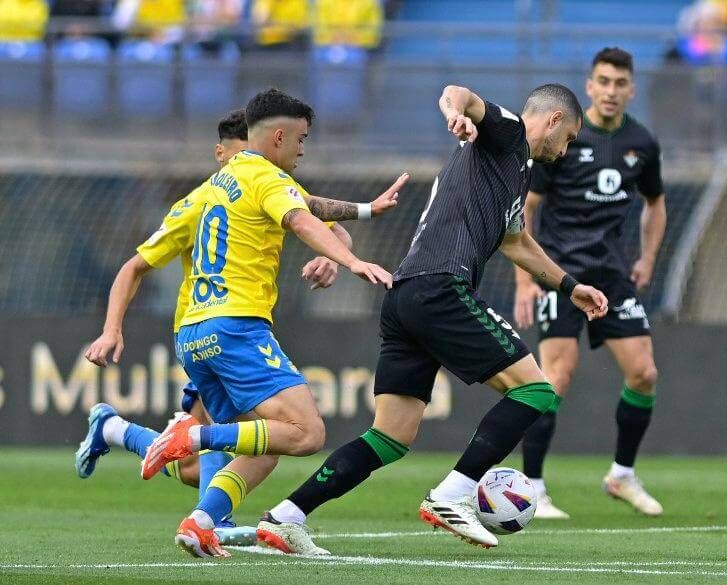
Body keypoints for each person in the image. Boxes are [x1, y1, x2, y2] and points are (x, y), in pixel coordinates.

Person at [248, 83, 608, 556]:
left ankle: (287, 517)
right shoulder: (509, 133)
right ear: (554, 120)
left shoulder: (515, 172)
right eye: (569, 139)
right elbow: (458, 93)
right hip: (442, 286)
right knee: (536, 391)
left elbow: (516, 243)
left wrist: (569, 286)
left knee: (390, 437)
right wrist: (455, 113)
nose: (564, 151)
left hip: (406, 296)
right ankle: (453, 494)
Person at [113, 88, 406, 558]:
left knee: (264, 446)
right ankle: (190, 435)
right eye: (302, 139)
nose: (303, 149)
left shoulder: (213, 186)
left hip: (193, 334)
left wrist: (368, 210)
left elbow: (311, 207)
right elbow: (302, 220)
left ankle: (200, 523)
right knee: (306, 432)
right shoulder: (267, 176)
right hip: (236, 326)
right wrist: (351, 262)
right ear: (279, 136)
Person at [76, 110, 255, 545]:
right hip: (207, 330)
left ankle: (113, 428)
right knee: (239, 430)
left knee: (193, 466)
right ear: (219, 153)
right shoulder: (196, 206)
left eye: (252, 156)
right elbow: (134, 267)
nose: (245, 165)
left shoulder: (267, 190)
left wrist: (334, 252)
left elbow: (323, 223)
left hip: (244, 328)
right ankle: (214, 519)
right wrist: (111, 329)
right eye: (238, 155)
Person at [513, 48, 667, 519]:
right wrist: (526, 281)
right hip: (560, 274)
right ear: (590, 86)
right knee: (556, 376)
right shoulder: (565, 137)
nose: (611, 91)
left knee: (644, 373)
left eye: (620, 83)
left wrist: (647, 259)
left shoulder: (642, 142)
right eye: (604, 81)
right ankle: (533, 487)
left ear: (631, 89)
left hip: (613, 277)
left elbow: (655, 204)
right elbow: (526, 209)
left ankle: (622, 474)